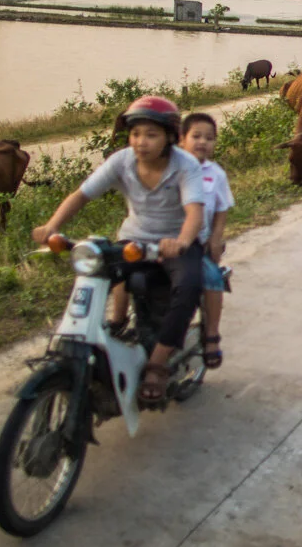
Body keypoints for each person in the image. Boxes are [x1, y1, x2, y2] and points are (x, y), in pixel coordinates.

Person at [32, 95, 205, 406]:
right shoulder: (121, 161)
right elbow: (81, 195)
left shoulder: (185, 166)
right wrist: (52, 226)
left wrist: (180, 242)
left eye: (151, 135)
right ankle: (95, 333)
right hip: (134, 241)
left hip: (176, 243)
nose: (140, 142)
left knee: (189, 285)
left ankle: (157, 364)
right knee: (94, 272)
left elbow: (194, 212)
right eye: (136, 134)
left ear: (169, 137)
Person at [180, 112, 233, 370]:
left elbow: (222, 209)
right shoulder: (170, 169)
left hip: (198, 245)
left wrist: (215, 239)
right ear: (182, 140)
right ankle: (118, 321)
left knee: (212, 278)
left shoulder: (216, 174)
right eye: (196, 136)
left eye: (209, 138)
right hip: (167, 242)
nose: (202, 142)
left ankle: (211, 335)